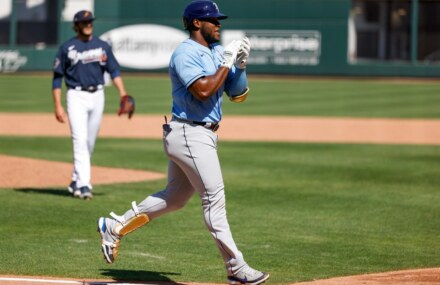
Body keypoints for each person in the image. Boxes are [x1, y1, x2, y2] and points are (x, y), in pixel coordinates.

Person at [97, 1, 269, 284]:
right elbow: (202, 91)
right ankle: (236, 268)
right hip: (189, 133)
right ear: (197, 23)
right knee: (214, 199)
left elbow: (238, 95)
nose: (219, 24)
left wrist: (239, 66)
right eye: (213, 19)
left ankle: (115, 226)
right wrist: (226, 62)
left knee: (175, 198)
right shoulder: (185, 53)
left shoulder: (215, 51)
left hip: (200, 135)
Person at [52, 10, 130, 200]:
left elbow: (114, 71)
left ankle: (75, 180)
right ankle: (85, 185)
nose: (88, 24)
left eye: (90, 21)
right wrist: (58, 105)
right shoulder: (67, 47)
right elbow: (57, 78)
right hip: (75, 95)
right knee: (79, 141)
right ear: (77, 25)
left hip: (98, 95)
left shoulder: (102, 46)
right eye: (85, 22)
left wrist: (123, 93)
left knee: (89, 143)